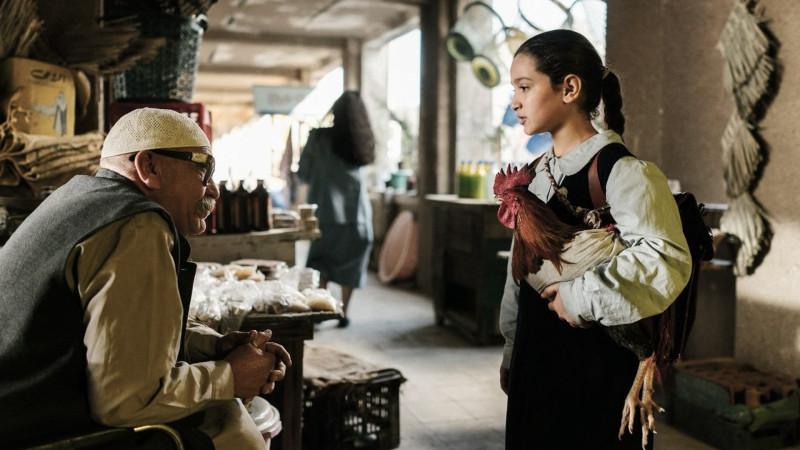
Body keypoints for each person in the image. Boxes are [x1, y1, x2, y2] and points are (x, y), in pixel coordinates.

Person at [0, 108, 291, 449]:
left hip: (22, 414)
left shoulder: (77, 198)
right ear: (149, 167)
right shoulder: (138, 226)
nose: (213, 189)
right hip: (35, 432)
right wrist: (230, 377)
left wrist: (212, 346)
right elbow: (124, 401)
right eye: (204, 169)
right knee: (230, 423)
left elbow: (118, 329)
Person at [499, 30, 692, 449]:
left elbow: (665, 259)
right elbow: (519, 276)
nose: (514, 101)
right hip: (536, 363)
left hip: (597, 371)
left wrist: (577, 298)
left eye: (524, 87)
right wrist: (512, 346)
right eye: (514, 89)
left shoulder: (623, 173)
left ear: (569, 88)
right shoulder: (535, 175)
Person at [297, 91, 375, 328]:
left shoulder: (319, 138)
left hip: (326, 216)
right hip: (358, 218)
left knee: (321, 265)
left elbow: (303, 174)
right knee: (351, 267)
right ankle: (343, 312)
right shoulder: (363, 141)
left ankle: (322, 311)